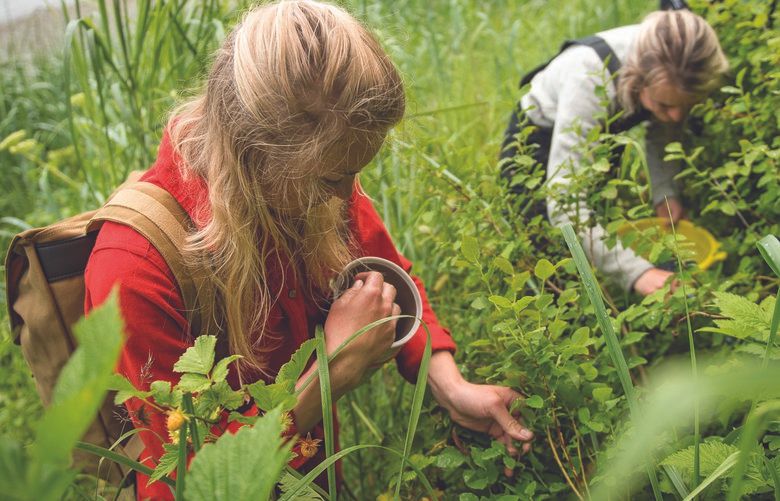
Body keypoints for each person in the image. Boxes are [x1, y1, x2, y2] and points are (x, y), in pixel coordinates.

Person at [84, 1, 533, 498]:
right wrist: (333, 373)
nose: (348, 197)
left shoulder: (307, 184)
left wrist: (450, 387)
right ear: (254, 155)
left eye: (355, 172)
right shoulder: (132, 268)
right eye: (333, 178)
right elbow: (189, 477)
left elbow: (390, 277)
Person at [500, 9, 728, 295]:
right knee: (543, 250)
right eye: (665, 106)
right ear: (638, 79)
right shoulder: (589, 79)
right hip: (534, 139)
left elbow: (662, 132)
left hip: (598, 129)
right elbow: (564, 202)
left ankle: (605, 280)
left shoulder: (673, 66)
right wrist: (638, 273)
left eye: (685, 106)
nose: (675, 117)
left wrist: (664, 193)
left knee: (598, 214)